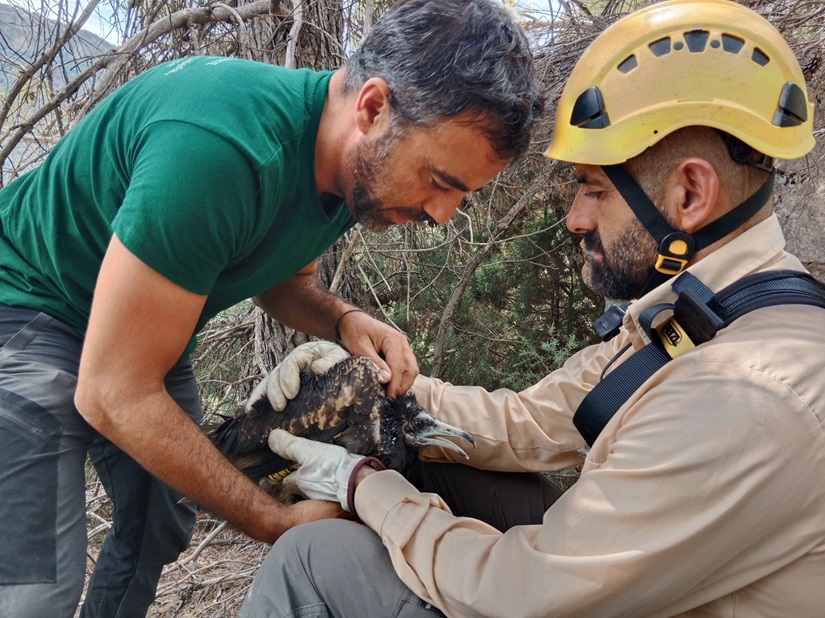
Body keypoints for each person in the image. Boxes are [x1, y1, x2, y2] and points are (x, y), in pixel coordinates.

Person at [238, 0, 825, 615]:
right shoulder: (707, 317)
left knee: (311, 560)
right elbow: (529, 423)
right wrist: (368, 385)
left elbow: (524, 597)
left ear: (690, 193)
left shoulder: (747, 397)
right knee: (436, 471)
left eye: (595, 190)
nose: (576, 218)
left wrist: (360, 486)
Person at [0, 0, 543, 615]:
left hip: (144, 320)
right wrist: (272, 522)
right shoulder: (220, 150)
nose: (442, 213)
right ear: (372, 107)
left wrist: (342, 319)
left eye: (460, 195)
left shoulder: (349, 173)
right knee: (34, 589)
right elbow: (111, 390)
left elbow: (283, 282)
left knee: (160, 521)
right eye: (439, 181)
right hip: (27, 307)